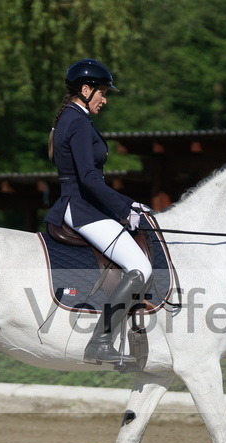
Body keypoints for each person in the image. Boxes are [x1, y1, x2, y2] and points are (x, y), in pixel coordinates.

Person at [44, 58, 153, 366]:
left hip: (84, 204)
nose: (104, 99)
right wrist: (125, 207)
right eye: (102, 92)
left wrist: (125, 205)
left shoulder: (72, 118)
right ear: (86, 90)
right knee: (140, 267)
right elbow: (89, 179)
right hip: (80, 208)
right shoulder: (77, 121)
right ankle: (100, 341)